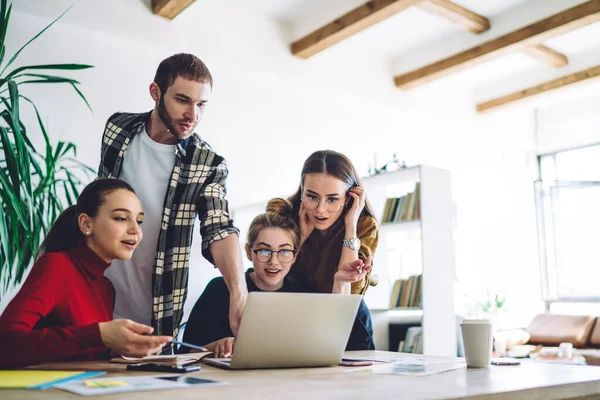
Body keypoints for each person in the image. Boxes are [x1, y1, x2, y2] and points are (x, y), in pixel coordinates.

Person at [98, 53, 247, 342]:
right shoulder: (117, 129)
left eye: (201, 104)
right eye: (182, 100)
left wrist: (238, 294)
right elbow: (98, 198)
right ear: (156, 92)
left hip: (157, 314)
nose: (193, 115)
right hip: (96, 297)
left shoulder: (207, 163)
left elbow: (219, 228)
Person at [0, 179, 172, 368]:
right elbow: (5, 343)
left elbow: (85, 353)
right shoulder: (56, 266)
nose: (135, 230)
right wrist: (100, 334)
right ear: (86, 223)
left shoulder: (106, 288)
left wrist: (122, 348)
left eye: (139, 221)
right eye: (121, 218)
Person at [181, 199, 374, 357]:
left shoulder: (305, 290)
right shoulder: (219, 289)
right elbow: (185, 352)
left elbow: (334, 344)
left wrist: (341, 282)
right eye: (264, 251)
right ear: (249, 252)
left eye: (284, 251)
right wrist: (219, 346)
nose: (274, 261)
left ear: (295, 255)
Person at [286, 150, 379, 296]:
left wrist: (351, 226)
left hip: (345, 313)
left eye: (332, 199)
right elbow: (271, 279)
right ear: (302, 191)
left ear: (349, 198)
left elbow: (351, 293)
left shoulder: (365, 225)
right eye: (312, 197)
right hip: (294, 309)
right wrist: (300, 239)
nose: (320, 210)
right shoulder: (286, 216)